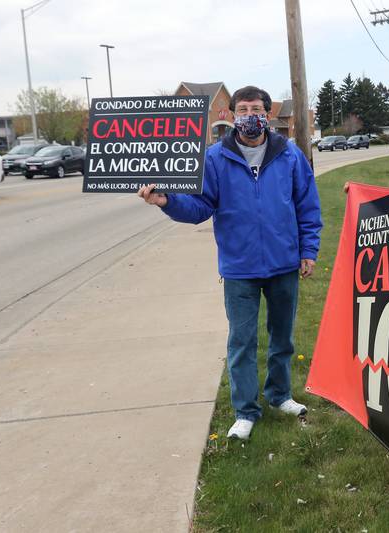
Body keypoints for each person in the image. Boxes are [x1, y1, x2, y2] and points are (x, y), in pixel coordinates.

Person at [138, 86, 322, 440]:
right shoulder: (215, 158)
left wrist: (308, 250)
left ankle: (279, 395)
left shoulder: (290, 155)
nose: (249, 113)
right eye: (242, 108)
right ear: (232, 114)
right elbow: (199, 208)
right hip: (240, 268)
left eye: (256, 108)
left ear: (267, 114)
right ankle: (245, 410)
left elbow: (307, 206)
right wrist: (166, 201)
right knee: (241, 341)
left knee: (282, 338)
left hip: (284, 264)